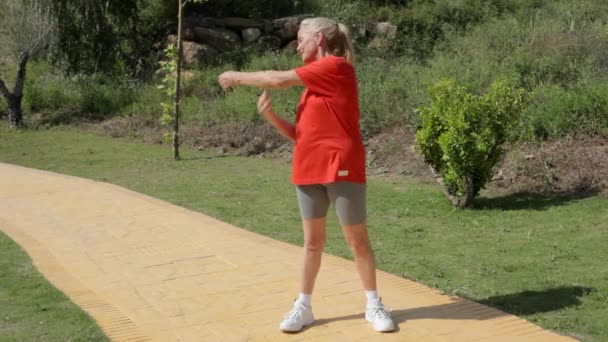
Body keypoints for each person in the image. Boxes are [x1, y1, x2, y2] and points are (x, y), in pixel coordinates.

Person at [218, 17, 395, 333]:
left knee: (357, 241)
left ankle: (373, 304)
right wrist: (272, 117)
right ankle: (304, 307)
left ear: (318, 38)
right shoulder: (311, 91)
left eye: (300, 39)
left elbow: (277, 79)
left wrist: (237, 76)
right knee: (312, 243)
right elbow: (302, 135)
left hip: (341, 165)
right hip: (307, 168)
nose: (297, 46)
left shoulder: (336, 68)